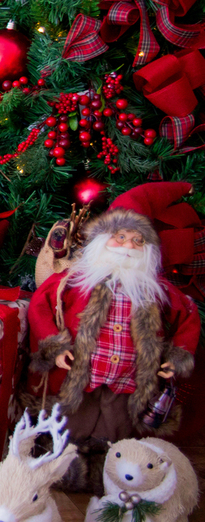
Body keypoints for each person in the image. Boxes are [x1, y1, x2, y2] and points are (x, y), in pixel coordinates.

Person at [26, 186, 199, 491]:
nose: (128, 246)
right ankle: (64, 465)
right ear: (104, 241)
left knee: (116, 431)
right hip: (82, 377)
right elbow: (41, 303)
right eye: (120, 238)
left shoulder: (157, 292)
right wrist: (53, 346)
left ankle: (111, 475)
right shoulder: (76, 281)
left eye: (137, 240)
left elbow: (188, 316)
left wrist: (176, 357)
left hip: (127, 382)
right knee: (72, 424)